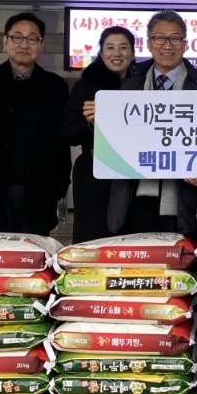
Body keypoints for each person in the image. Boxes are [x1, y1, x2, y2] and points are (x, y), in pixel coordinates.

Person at [108, 10, 197, 242]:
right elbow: (115, 142)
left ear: (185, 44)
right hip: (134, 195)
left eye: (175, 38)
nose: (167, 45)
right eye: (160, 38)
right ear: (149, 44)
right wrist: (99, 123)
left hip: (184, 199)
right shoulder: (129, 86)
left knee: (181, 268)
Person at [0, 12, 71, 236]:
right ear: (5, 42)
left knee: (35, 257)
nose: (24, 44)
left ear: (41, 45)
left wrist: (60, 186)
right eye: (17, 37)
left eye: (32, 39)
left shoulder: (55, 86)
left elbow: (61, 141)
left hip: (39, 189)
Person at [60, 26, 135, 245]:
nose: (117, 53)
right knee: (92, 236)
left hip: (134, 172)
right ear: (101, 53)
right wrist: (89, 122)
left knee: (130, 237)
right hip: (94, 170)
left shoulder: (144, 86)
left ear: (132, 52)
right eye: (110, 48)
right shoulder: (86, 86)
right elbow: (67, 133)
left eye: (123, 47)